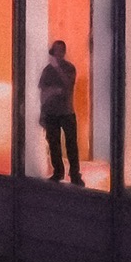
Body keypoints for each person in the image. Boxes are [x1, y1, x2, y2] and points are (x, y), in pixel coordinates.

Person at [38, 40, 84, 184]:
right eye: (55, 50)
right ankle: (58, 172)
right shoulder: (47, 70)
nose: (57, 53)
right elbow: (43, 92)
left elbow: (68, 85)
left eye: (60, 50)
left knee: (71, 144)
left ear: (63, 52)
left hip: (67, 112)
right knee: (53, 143)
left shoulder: (69, 68)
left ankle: (75, 174)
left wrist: (57, 69)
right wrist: (42, 112)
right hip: (51, 112)